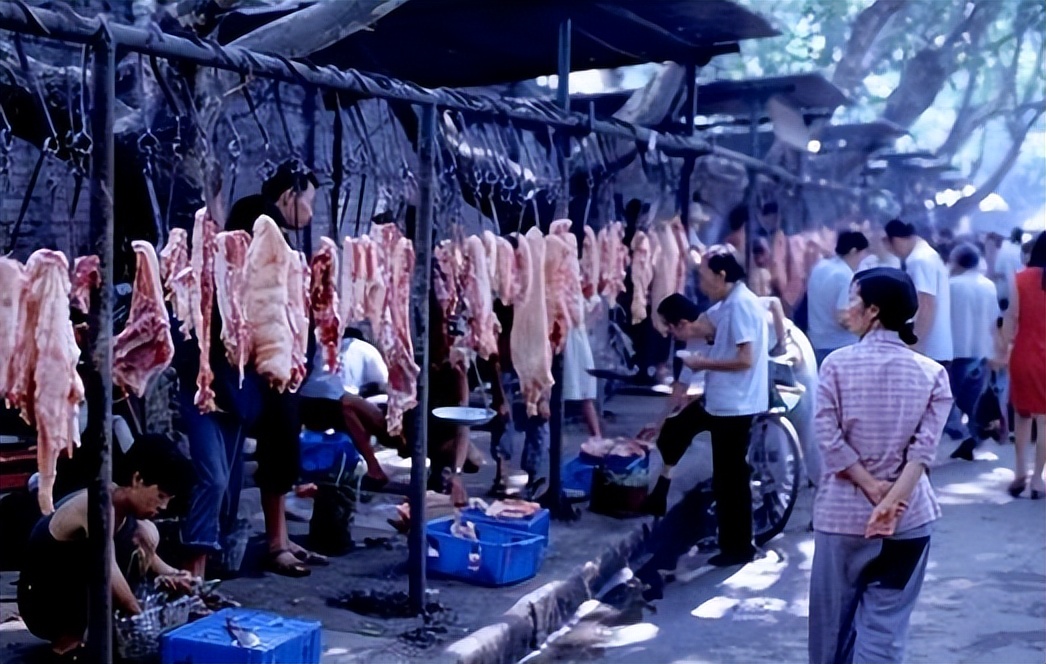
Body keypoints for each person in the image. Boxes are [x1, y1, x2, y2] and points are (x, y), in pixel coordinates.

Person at [809, 267, 952, 664]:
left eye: (852, 299)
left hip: (842, 517)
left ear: (872, 310)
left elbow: (828, 439)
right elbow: (922, 453)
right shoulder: (933, 374)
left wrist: (871, 487)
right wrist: (891, 501)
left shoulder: (836, 365)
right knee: (885, 632)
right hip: (909, 519)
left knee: (831, 632)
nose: (846, 309)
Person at [222, 158, 326, 577]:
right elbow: (255, 293)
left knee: (282, 449)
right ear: (288, 195)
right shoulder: (257, 217)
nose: (311, 213)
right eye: (309, 201)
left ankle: (280, 538)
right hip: (261, 361)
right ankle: (275, 544)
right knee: (277, 448)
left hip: (279, 357)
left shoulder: (273, 228)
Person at [640, 245, 769, 567]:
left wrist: (703, 363)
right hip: (723, 402)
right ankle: (733, 542)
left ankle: (739, 547)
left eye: (703, 275)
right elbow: (702, 330)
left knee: (731, 479)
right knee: (725, 475)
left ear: (721, 275)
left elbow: (746, 359)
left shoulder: (740, 306)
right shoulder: (726, 306)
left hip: (736, 405)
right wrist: (662, 418)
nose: (700, 283)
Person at [18, 442, 196, 660]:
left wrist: (177, 575)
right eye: (160, 496)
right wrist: (141, 619)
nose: (164, 507)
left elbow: (152, 559)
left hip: (74, 589)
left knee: (148, 533)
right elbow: (107, 568)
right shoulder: (99, 505)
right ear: (137, 479)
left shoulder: (123, 507)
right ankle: (67, 641)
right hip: (43, 602)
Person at [297, 326, 396, 488]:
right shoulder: (324, 343)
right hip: (318, 401)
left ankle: (384, 452)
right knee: (349, 408)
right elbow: (383, 382)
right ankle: (376, 465)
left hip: (333, 396)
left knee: (353, 408)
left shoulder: (348, 347)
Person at [946, 243, 1001, 461]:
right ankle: (974, 437)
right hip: (982, 349)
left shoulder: (951, 285)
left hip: (956, 349)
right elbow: (994, 320)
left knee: (952, 398)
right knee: (974, 399)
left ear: (956, 261)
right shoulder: (988, 285)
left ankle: (964, 435)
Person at [1003, 232, 1046, 499]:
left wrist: (1003, 349)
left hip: (1024, 353)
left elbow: (1011, 317)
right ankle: (1038, 479)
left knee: (1022, 414)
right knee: (1045, 420)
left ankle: (1020, 470)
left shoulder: (1020, 278)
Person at [885, 219, 953, 365]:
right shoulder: (928, 255)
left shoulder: (918, 260)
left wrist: (913, 343)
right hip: (935, 346)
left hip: (927, 349)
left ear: (895, 240)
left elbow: (926, 305)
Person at [806, 231, 870, 366]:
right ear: (853, 251)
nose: (863, 259)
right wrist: (865, 330)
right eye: (862, 254)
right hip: (840, 346)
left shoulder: (820, 267)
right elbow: (842, 317)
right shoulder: (845, 276)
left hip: (816, 343)